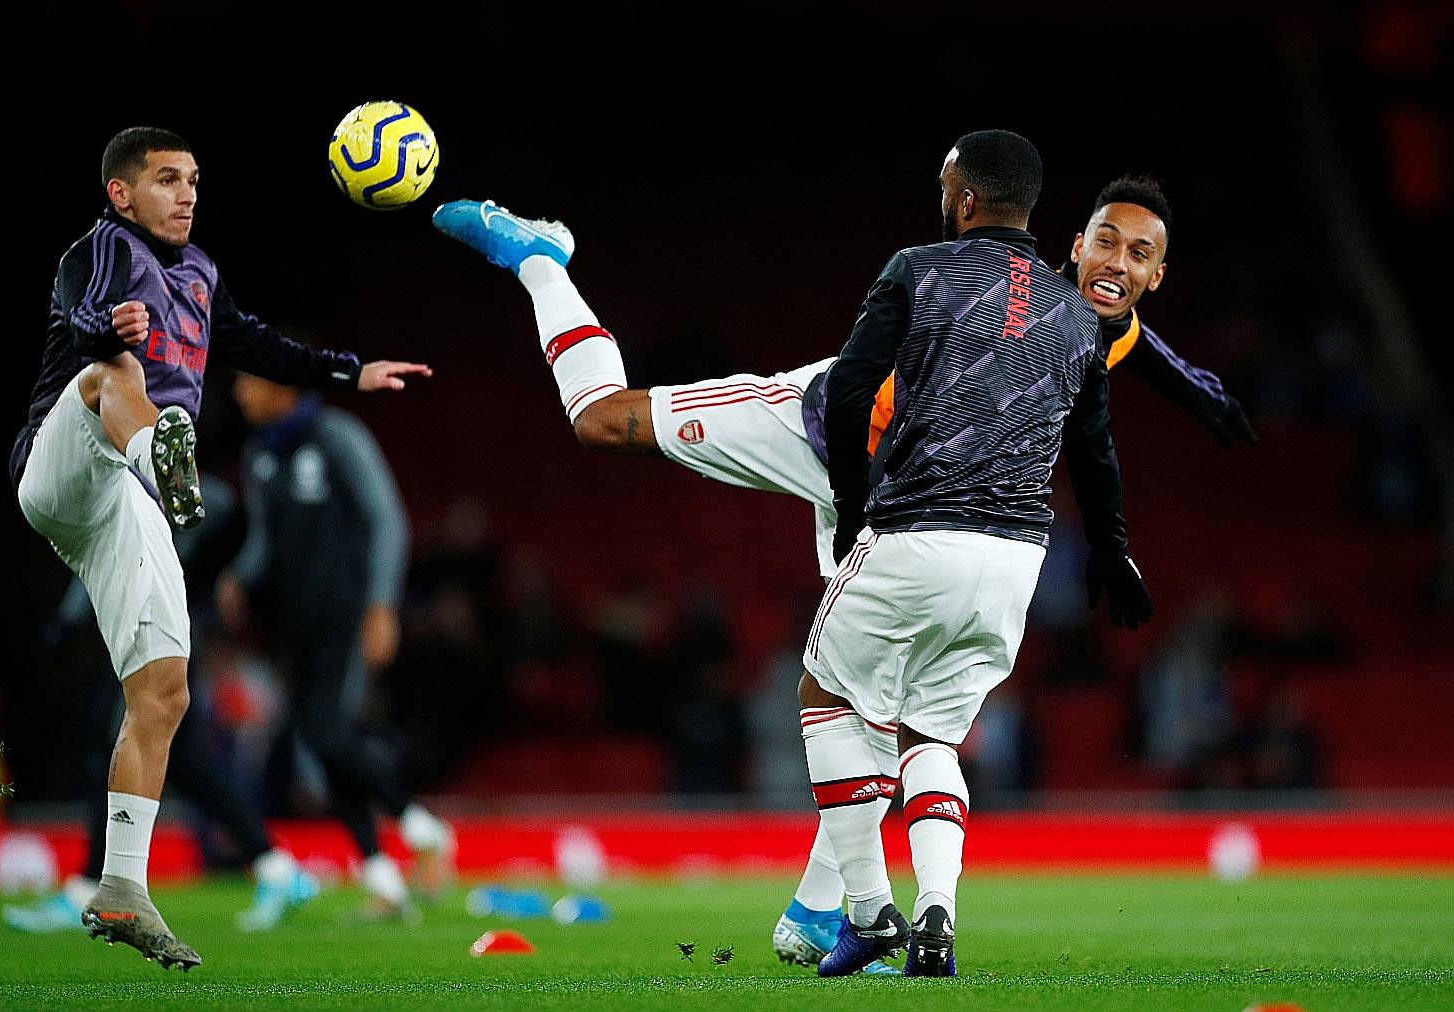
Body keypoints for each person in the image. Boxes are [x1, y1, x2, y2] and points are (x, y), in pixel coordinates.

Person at [430, 169, 1241, 970]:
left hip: (916, 499)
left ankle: (826, 909)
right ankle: (540, 259)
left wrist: (1193, 387)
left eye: (1139, 256)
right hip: (826, 430)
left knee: (874, 705)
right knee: (607, 421)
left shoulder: (1093, 324)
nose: (1118, 265)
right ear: (1072, 244)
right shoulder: (1022, 294)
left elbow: (1125, 343)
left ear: (1157, 275)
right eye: (1106, 242)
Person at [9, 126, 430, 969]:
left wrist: (352, 373)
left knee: (163, 694)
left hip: (132, 506)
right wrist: (108, 326)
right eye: (167, 179)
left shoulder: (201, 276)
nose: (188, 193)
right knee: (112, 371)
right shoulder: (97, 252)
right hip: (64, 462)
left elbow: (258, 346)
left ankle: (122, 890)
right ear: (122, 194)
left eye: (194, 179)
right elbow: (82, 315)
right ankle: (163, 458)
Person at [799, 129, 1150, 978]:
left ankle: (871, 908)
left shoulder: (919, 269)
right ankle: (938, 918)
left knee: (824, 694)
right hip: (1017, 562)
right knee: (933, 736)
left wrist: (851, 505)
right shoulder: (1080, 314)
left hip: (918, 528)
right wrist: (1113, 554)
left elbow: (849, 392)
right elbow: (1096, 454)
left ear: (963, 199)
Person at [2, 474, 322, 936]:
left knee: (112, 749)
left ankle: (90, 886)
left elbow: (220, 507)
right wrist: (71, 619)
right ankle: (277, 868)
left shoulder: (161, 478)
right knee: (187, 764)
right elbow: (103, 552)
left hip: (158, 625)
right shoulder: (122, 481)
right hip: (134, 621)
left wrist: (214, 566)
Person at [216, 371, 455, 923]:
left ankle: (424, 829)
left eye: (252, 380)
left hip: (345, 618)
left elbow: (387, 519)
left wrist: (381, 606)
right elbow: (264, 543)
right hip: (293, 625)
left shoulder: (338, 436)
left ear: (286, 383)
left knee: (325, 733)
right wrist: (239, 577)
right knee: (322, 747)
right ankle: (386, 880)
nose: (241, 393)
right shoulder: (259, 454)